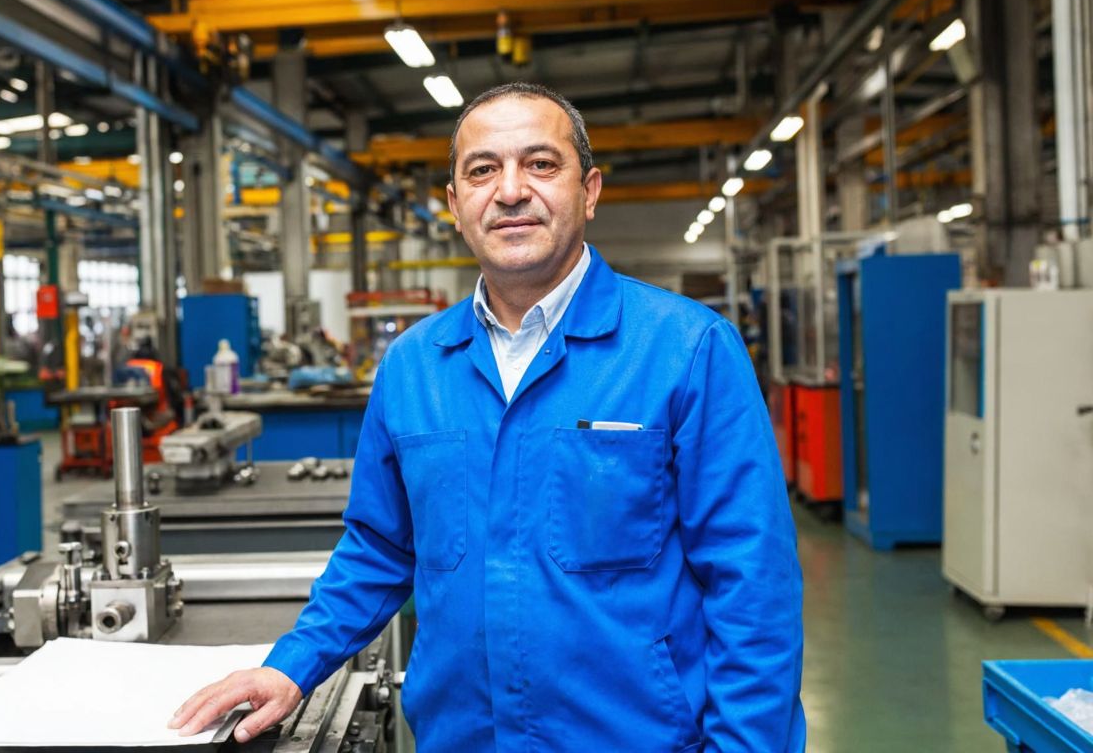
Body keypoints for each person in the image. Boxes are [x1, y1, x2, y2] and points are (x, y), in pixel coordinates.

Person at [169, 82, 805, 751]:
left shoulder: (686, 348)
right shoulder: (413, 366)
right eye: (482, 170)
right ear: (454, 204)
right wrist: (290, 667)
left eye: (540, 163)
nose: (509, 191)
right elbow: (379, 547)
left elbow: (751, 581)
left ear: (589, 190)